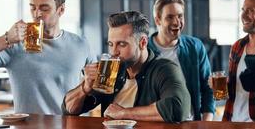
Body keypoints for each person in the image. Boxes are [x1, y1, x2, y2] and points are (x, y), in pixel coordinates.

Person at [0, 0, 95, 115]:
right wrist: (6, 39)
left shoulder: (81, 44)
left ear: (61, 10)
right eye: (33, 7)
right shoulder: (14, 44)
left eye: (44, 8)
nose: (37, 14)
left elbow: (98, 86)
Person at [62, 11, 191, 123]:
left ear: (143, 42)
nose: (114, 52)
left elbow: (178, 108)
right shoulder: (112, 71)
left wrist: (124, 113)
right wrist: (84, 88)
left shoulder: (164, 69)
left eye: (121, 44)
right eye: (111, 44)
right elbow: (69, 110)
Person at [148, 0, 215, 121]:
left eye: (180, 16)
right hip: (155, 123)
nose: (177, 22)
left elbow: (208, 88)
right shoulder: (144, 51)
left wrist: (206, 123)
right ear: (157, 20)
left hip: (191, 123)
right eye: (170, 17)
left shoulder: (195, 46)